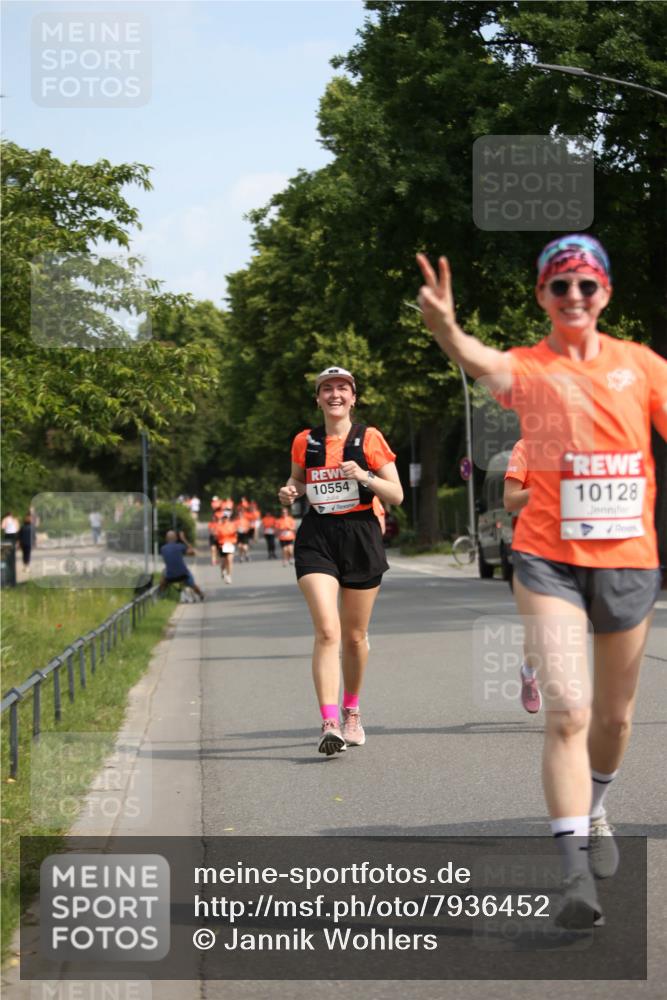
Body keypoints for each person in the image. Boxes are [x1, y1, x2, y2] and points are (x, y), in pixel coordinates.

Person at [417, 234, 667, 928]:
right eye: (560, 287)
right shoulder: (529, 368)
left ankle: (594, 804)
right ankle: (573, 872)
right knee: (568, 712)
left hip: (626, 559)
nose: (574, 298)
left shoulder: (639, 366)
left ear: (605, 293)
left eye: (586, 285)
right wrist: (447, 330)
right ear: (542, 297)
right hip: (547, 560)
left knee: (614, 720)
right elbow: (481, 361)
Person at [278, 365, 403, 755]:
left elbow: (396, 494)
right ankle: (329, 723)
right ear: (317, 398)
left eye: (342, 389)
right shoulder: (305, 440)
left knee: (354, 637)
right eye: (327, 389)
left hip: (362, 535)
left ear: (353, 397)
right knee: (328, 631)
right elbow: (298, 480)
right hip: (318, 536)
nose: (335, 394)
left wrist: (365, 476)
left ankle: (352, 710)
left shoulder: (370, 438)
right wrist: (290, 491)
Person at [503, 439, 541, 714]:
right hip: (535, 548)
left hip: (575, 546)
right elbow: (510, 500)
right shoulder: (526, 447)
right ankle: (530, 671)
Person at [159, 529, 204, 600]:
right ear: (176, 538)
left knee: (163, 572)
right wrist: (184, 539)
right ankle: (200, 594)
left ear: (166, 539)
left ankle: (161, 594)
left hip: (170, 577)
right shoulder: (180, 546)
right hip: (183, 575)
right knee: (192, 583)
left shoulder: (163, 549)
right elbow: (193, 552)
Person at [215, 510, 237, 584]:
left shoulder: (232, 525)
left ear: (228, 518)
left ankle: (229, 576)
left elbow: (235, 533)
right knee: (223, 562)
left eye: (226, 518)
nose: (225, 519)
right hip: (222, 545)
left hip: (230, 544)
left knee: (230, 560)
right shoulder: (219, 526)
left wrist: (235, 535)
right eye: (224, 518)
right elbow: (217, 537)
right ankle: (223, 571)